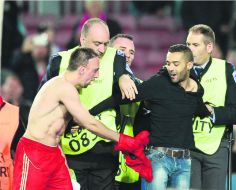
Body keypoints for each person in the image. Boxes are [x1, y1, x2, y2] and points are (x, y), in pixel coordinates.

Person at [13, 48, 150, 190]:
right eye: (95, 70)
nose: (97, 76)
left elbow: (81, 120)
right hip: (35, 152)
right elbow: (89, 122)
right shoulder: (64, 87)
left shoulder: (70, 89)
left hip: (54, 152)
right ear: (82, 70)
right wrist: (122, 140)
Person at [90, 44, 211, 190]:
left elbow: (199, 108)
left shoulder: (197, 89)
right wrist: (88, 114)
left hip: (184, 161)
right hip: (158, 159)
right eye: (168, 63)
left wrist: (209, 111)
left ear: (189, 65)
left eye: (176, 64)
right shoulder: (158, 83)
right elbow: (119, 98)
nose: (170, 68)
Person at [39, 18, 138, 190]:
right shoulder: (59, 61)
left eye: (106, 44)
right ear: (82, 39)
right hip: (70, 148)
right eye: (97, 43)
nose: (102, 50)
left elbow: (128, 79)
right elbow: (42, 102)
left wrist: (124, 76)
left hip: (104, 148)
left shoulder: (117, 57)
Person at [186, 24, 236, 190]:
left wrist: (210, 111)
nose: (190, 50)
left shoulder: (226, 70)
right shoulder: (180, 69)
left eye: (195, 45)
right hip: (188, 146)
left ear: (209, 47)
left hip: (218, 145)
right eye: (188, 44)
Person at [109, 34, 141, 190]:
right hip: (101, 162)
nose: (127, 55)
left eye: (131, 52)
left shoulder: (140, 86)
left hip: (130, 166)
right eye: (122, 50)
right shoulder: (92, 81)